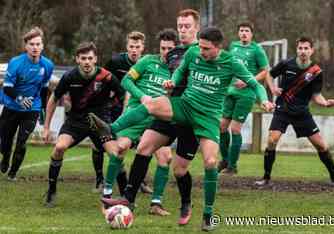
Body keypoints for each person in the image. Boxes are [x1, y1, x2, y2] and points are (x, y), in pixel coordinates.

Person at [89, 27, 274, 231]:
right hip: (184, 106)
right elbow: (180, 70)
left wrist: (264, 100)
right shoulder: (193, 53)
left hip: (208, 117)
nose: (201, 52)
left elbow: (255, 85)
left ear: (218, 47)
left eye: (206, 48)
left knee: (209, 162)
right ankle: (111, 129)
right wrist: (172, 82)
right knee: (152, 106)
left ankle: (208, 214)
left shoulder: (232, 62)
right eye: (200, 47)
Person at [98, 28, 177, 213]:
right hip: (137, 113)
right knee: (119, 149)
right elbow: (126, 81)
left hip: (158, 118)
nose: (166, 52)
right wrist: (142, 97)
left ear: (176, 49)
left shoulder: (178, 70)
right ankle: (107, 197)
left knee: (166, 158)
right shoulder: (147, 61)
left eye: (169, 49)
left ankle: (156, 204)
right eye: (163, 48)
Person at [255, 36, 334, 187]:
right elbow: (268, 74)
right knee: (272, 140)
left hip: (302, 112)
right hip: (283, 109)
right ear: (297, 49)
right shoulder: (286, 64)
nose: (303, 51)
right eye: (300, 48)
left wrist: (325, 103)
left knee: (321, 146)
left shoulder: (316, 71)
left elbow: (316, 96)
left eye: (306, 48)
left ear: (311, 50)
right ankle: (266, 177)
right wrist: (272, 89)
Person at [42, 42, 124, 207]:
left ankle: (125, 196)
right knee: (59, 147)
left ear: (96, 59)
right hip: (76, 121)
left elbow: (124, 95)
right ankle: (51, 190)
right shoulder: (70, 76)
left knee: (116, 155)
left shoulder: (106, 76)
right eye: (83, 58)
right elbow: (53, 99)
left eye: (90, 58)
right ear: (77, 59)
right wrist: (46, 127)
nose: (87, 61)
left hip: (100, 121)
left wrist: (119, 117)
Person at [138, 9, 200, 219]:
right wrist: (169, 87)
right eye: (180, 26)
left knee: (180, 170)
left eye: (187, 26)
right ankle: (127, 199)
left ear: (196, 28)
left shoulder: (204, 52)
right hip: (171, 112)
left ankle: (186, 203)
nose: (182, 30)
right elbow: (173, 84)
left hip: (191, 118)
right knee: (144, 146)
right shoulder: (174, 54)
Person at [90, 31, 152, 194]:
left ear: (142, 48)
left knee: (145, 144)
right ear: (126, 47)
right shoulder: (116, 61)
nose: (134, 50)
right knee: (101, 142)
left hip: (139, 110)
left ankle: (140, 181)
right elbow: (101, 78)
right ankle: (99, 180)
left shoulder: (147, 63)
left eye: (137, 47)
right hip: (114, 108)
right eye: (131, 46)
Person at [0, 26, 54, 181]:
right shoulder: (15, 62)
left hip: (32, 108)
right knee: (5, 141)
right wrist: (20, 99)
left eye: (38, 44)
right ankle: (5, 157)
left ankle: (13, 173)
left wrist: (42, 110)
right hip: (12, 106)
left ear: (42, 45)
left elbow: (44, 89)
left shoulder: (47, 65)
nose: (35, 47)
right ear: (26, 46)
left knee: (22, 141)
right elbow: (7, 87)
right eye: (32, 44)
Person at [218, 22, 269, 174]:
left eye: (247, 31)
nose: (244, 33)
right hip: (230, 92)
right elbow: (228, 66)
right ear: (238, 33)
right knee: (221, 126)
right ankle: (225, 160)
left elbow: (265, 71)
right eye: (241, 31)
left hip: (246, 95)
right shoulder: (233, 46)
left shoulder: (257, 49)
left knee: (235, 129)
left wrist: (248, 80)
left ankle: (232, 166)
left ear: (252, 34)